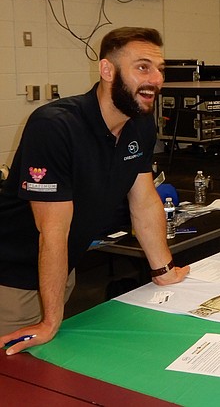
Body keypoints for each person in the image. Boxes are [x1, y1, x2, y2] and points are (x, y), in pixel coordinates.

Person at [0, 27, 189, 354]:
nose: (156, 79)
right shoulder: (54, 126)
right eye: (143, 67)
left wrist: (163, 270)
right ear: (107, 70)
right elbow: (52, 231)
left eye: (160, 69)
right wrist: (49, 321)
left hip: (59, 270)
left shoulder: (140, 123)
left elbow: (143, 201)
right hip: (11, 279)